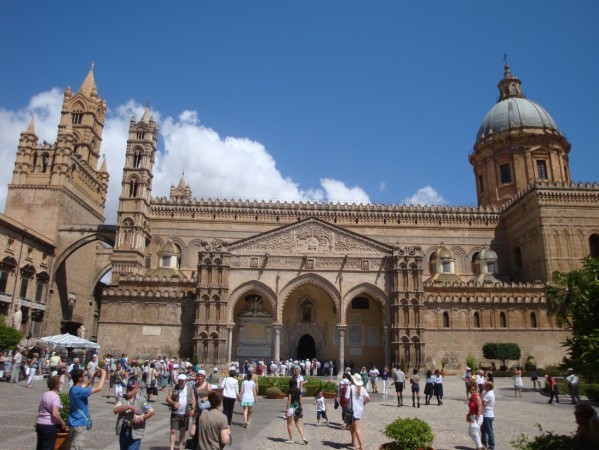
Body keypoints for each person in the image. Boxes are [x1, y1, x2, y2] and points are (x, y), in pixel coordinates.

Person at [67, 367, 107, 450]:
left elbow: (85, 385)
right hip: (80, 423)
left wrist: (94, 376)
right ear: (80, 378)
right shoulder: (79, 391)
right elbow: (99, 388)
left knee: (71, 445)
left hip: (73, 421)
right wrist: (104, 375)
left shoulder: (73, 389)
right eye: (83, 376)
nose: (85, 377)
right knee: (77, 447)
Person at [113, 379, 154, 450]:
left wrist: (141, 418)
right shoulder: (122, 398)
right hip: (123, 430)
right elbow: (116, 410)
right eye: (128, 388)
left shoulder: (142, 400)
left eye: (131, 388)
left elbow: (151, 412)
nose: (129, 390)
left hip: (136, 431)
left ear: (136, 388)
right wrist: (128, 406)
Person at [35, 375, 67, 450]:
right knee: (48, 447)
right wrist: (62, 423)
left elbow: (40, 409)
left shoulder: (45, 394)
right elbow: (55, 414)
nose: (60, 384)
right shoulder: (55, 397)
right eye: (60, 383)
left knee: (40, 446)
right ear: (56, 385)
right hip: (49, 425)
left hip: (40, 423)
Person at [166, 374, 196, 450]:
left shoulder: (189, 388)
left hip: (185, 413)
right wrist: (173, 403)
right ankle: (171, 448)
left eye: (182, 381)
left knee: (182, 431)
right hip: (175, 413)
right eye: (179, 380)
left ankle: (180, 446)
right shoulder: (174, 388)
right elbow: (168, 398)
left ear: (185, 381)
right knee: (173, 430)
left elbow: (193, 399)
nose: (180, 382)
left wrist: (193, 409)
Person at [345, 372, 371, 450]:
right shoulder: (362, 388)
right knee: (352, 427)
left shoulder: (350, 387)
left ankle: (361, 446)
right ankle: (353, 442)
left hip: (352, 410)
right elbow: (368, 398)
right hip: (359, 410)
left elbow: (346, 398)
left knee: (356, 428)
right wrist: (363, 403)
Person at [285, 378, 308, 445]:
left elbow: (289, 400)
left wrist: (286, 410)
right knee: (298, 423)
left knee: (289, 424)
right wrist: (301, 409)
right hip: (297, 408)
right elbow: (300, 401)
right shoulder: (298, 390)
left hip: (291, 408)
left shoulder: (290, 390)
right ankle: (303, 437)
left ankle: (291, 439)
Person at [467, 382, 485, 450]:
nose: (472, 391)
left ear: (476, 389)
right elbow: (471, 407)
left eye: (473, 389)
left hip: (477, 416)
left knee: (474, 432)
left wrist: (477, 417)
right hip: (472, 416)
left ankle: (479, 447)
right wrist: (468, 414)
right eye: (471, 389)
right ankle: (480, 446)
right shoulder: (472, 397)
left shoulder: (476, 397)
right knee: (470, 432)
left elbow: (480, 407)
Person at [481, 381, 495, 450]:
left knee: (489, 431)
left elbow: (484, 403)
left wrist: (478, 400)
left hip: (488, 415)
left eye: (485, 385)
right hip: (484, 414)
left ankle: (491, 446)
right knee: (483, 430)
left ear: (488, 386)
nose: (483, 385)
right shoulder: (486, 392)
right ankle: (484, 444)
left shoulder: (489, 394)